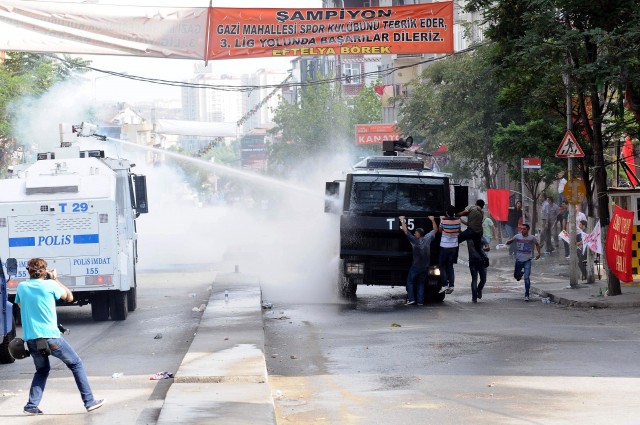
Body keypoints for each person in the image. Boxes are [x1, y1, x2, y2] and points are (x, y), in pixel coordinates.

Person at [14, 258, 104, 415]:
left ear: (28, 271)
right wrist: (55, 279)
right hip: (51, 338)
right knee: (76, 364)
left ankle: (31, 406)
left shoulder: (22, 287)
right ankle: (89, 401)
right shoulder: (51, 285)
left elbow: (20, 305)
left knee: (42, 370)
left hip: (32, 340)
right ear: (45, 272)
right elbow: (70, 297)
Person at [399, 216, 437, 306]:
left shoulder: (414, 241)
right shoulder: (427, 238)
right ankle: (420, 301)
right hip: (425, 267)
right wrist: (433, 220)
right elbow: (435, 230)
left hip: (416, 266)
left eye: (416, 233)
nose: (414, 234)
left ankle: (411, 299)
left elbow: (405, 231)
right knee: (421, 283)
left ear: (419, 234)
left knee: (410, 281)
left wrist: (402, 220)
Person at [505, 224, 541, 301]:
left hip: (527, 260)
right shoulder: (517, 236)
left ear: (528, 230)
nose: (522, 230)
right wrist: (509, 241)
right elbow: (510, 241)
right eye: (521, 229)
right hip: (518, 260)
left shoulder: (532, 238)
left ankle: (527, 294)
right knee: (516, 277)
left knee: (526, 277)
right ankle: (520, 274)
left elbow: (537, 244)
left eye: (524, 229)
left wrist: (539, 254)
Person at [438, 205, 461, 294]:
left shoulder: (443, 220)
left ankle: (444, 285)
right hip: (453, 247)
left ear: (447, 212)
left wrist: (441, 219)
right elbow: (459, 231)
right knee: (450, 266)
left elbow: (440, 230)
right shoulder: (458, 220)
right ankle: (451, 285)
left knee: (442, 266)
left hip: (444, 246)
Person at [468, 236, 490, 303]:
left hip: (477, 261)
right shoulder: (478, 237)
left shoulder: (470, 237)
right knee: (479, 279)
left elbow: (488, 247)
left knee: (478, 279)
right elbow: (488, 248)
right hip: (477, 261)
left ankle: (476, 294)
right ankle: (476, 294)